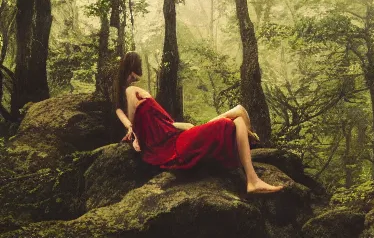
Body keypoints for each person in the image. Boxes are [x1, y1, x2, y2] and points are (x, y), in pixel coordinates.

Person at [113, 51, 283, 194]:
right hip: (175, 144)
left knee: (238, 119)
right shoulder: (131, 91)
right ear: (131, 70)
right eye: (134, 74)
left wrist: (135, 131)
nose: (136, 80)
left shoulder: (139, 97)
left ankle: (252, 179)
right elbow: (131, 117)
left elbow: (166, 123)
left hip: (177, 137)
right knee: (237, 116)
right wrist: (133, 133)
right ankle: (252, 177)